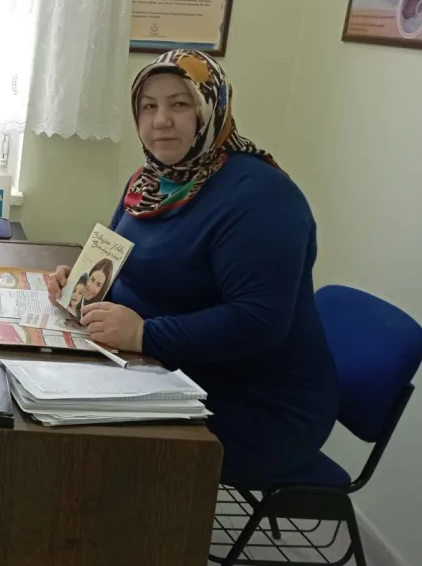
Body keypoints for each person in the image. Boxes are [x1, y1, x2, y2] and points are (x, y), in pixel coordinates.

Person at [48, 50, 339, 486]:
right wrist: (84, 284)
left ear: (211, 109)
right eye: (148, 106)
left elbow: (258, 322)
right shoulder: (150, 181)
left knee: (83, 443)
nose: (161, 120)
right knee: (54, 409)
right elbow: (126, 262)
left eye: (180, 104)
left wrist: (143, 334)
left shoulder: (261, 198)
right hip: (172, 366)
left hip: (256, 406)